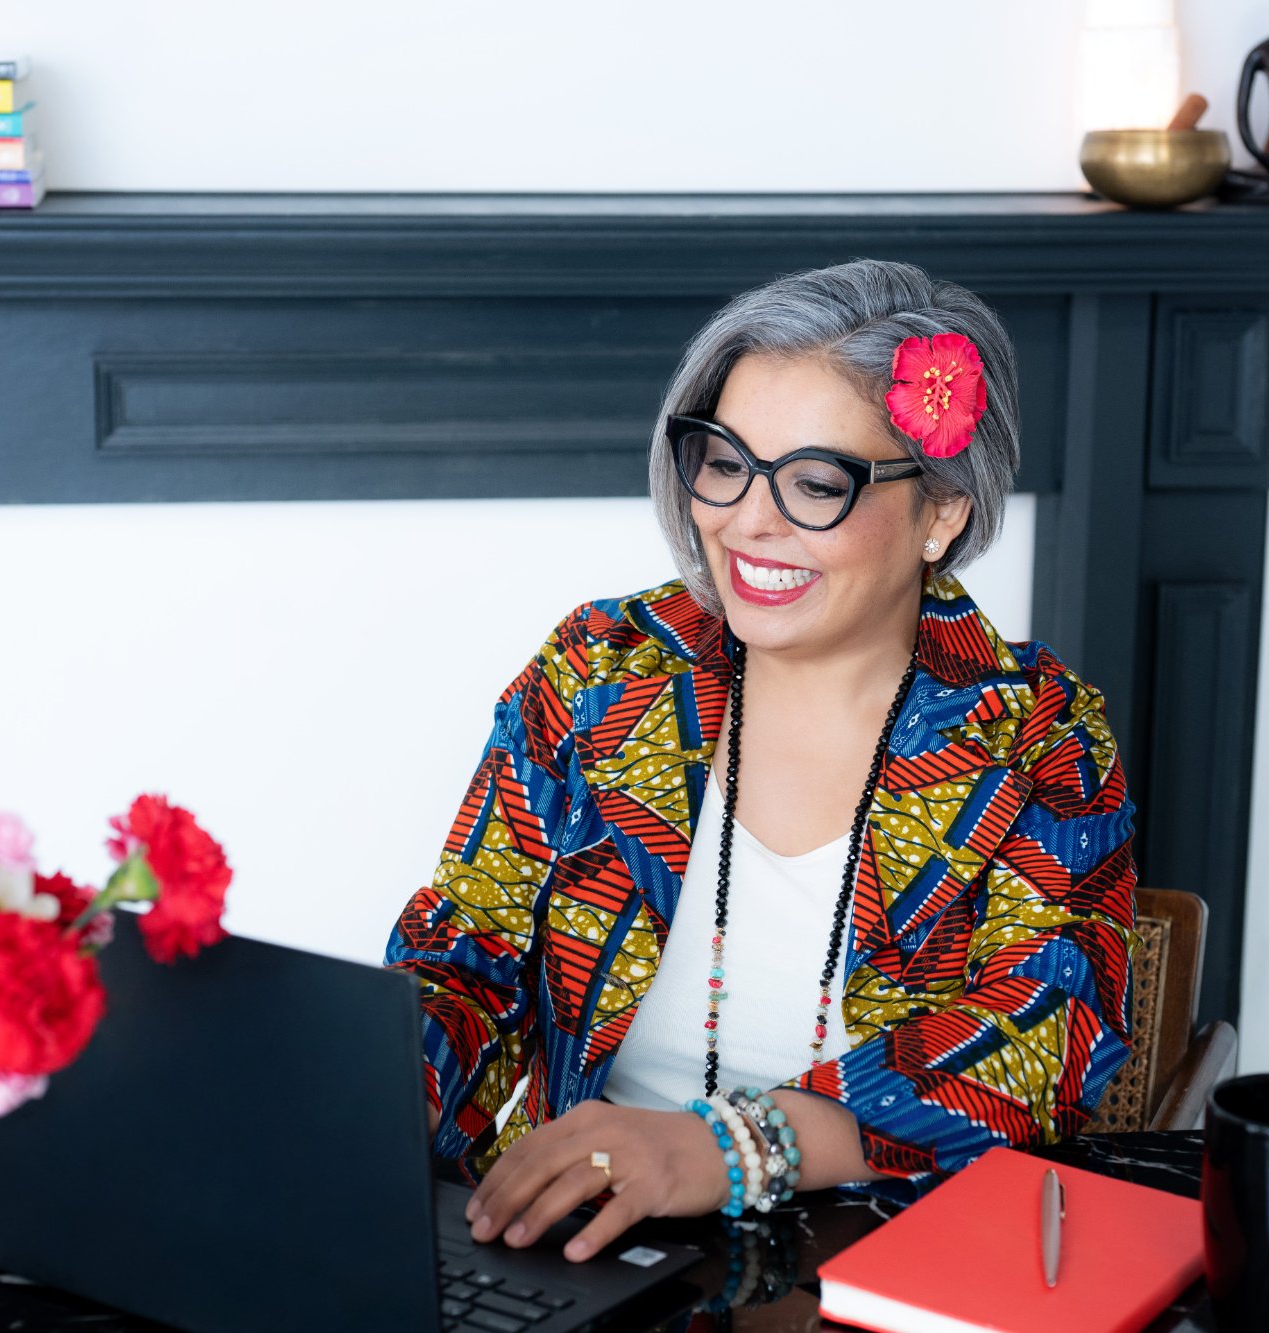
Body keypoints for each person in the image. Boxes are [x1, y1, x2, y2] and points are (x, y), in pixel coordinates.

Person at [383, 259, 1138, 1266]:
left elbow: (1037, 1040)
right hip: (585, 1254)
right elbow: (462, 959)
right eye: (724, 462)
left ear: (941, 514)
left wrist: (723, 1148)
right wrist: (348, 1119)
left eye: (816, 482)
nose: (747, 520)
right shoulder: (601, 676)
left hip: (895, 1269)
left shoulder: (1039, 738)